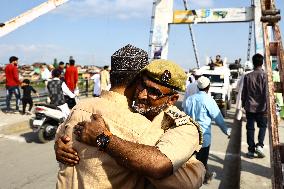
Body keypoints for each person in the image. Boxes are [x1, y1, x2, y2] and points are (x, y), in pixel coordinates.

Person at [55, 46, 204, 189]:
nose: (142, 95)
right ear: (136, 81)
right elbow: (62, 136)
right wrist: (60, 145)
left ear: (172, 99)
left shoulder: (181, 127)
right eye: (142, 86)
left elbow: (182, 180)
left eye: (154, 92)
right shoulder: (132, 120)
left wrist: (104, 139)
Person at [184, 76, 231, 184]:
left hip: (190, 136)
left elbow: (184, 116)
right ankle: (200, 180)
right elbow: (219, 118)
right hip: (204, 138)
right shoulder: (209, 100)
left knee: (192, 161)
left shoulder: (190, 99)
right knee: (201, 161)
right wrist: (227, 131)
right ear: (208, 87)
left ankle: (205, 176)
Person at [241, 53, 267, 158]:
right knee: (263, 126)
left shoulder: (248, 76)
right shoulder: (265, 76)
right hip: (262, 107)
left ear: (253, 62)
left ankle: (251, 150)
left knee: (250, 128)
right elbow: (267, 93)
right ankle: (260, 145)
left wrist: (243, 104)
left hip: (250, 107)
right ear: (262, 62)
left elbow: (244, 92)